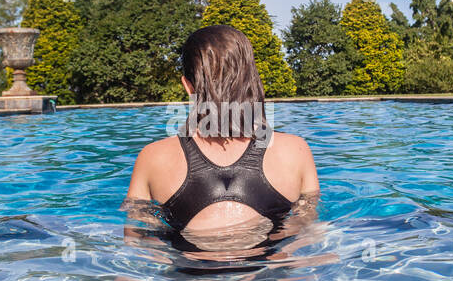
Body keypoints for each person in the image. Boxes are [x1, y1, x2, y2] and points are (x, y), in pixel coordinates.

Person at [126, 24, 318, 241]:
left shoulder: (153, 157)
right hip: (270, 270)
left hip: (190, 272)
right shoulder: (295, 150)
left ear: (188, 86)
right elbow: (306, 231)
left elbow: (138, 243)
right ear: (252, 80)